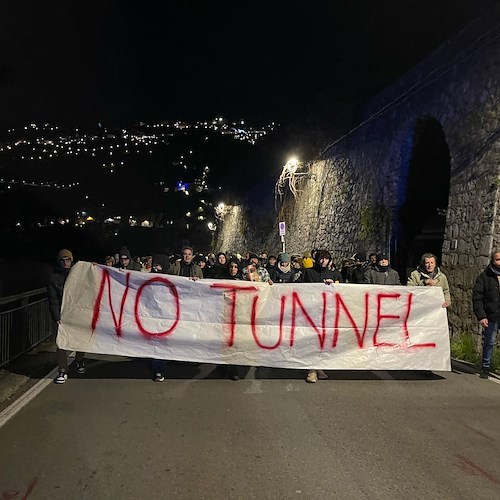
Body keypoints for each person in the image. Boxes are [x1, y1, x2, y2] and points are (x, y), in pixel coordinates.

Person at [302, 249, 343, 383]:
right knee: (312, 340)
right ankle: (311, 369)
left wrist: (335, 285)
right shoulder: (309, 273)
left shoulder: (335, 274)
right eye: (321, 258)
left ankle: (319, 366)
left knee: (323, 341)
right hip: (311, 312)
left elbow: (344, 291)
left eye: (326, 258)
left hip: (328, 313)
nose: (323, 261)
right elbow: (298, 288)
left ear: (330, 260)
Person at [48, 249, 86, 384]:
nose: (65, 263)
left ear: (71, 260)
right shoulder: (54, 278)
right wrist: (56, 317)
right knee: (61, 343)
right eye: (62, 260)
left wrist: (94, 268)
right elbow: (53, 299)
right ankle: (62, 370)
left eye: (68, 260)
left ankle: (79, 360)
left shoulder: (77, 274)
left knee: (81, 338)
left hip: (77, 313)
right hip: (62, 315)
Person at [472, 251, 500, 379]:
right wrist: (481, 316)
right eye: (497, 259)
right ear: (492, 261)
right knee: (489, 342)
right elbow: (477, 297)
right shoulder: (485, 277)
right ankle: (486, 367)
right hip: (491, 315)